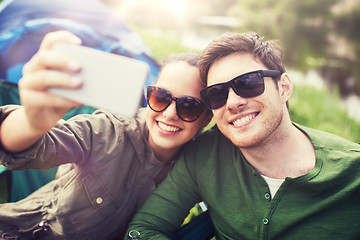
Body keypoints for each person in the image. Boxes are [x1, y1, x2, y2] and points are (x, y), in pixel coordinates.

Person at [126, 32, 360, 239]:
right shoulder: (205, 155)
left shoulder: (352, 173)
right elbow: (143, 230)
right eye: (217, 94)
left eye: (248, 83)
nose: (233, 102)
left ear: (284, 88)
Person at [0, 31, 212, 239]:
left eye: (189, 106)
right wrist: (31, 122)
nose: (169, 113)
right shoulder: (110, 132)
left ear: (206, 118)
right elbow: (30, 147)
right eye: (160, 97)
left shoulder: (198, 162)